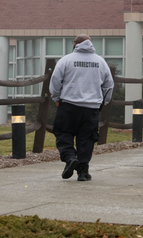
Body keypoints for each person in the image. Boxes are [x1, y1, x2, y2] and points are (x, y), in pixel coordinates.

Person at [49, 34, 114, 181]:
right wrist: (102, 103)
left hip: (69, 105)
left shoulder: (66, 60)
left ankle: (70, 157)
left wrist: (56, 98)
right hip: (91, 108)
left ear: (76, 44)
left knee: (63, 132)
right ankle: (83, 172)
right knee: (87, 138)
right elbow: (109, 86)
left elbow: (55, 82)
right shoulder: (100, 62)